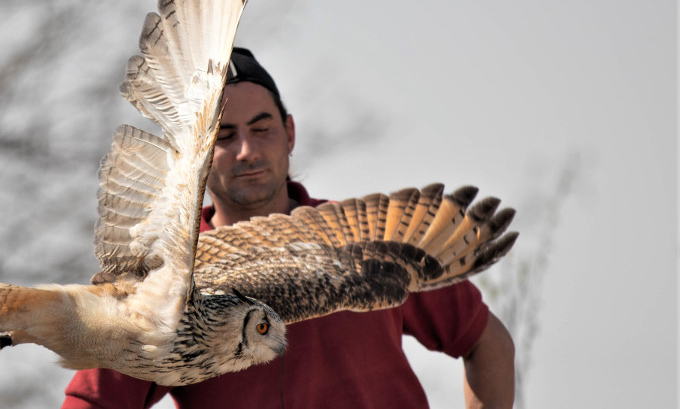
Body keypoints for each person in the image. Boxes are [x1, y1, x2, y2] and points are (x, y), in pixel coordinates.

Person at [62, 48, 515, 409]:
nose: (246, 151)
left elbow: (484, 340)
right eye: (223, 137)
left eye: (262, 129)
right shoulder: (166, 282)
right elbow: (93, 401)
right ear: (194, 156)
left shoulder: (364, 239)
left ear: (290, 132)